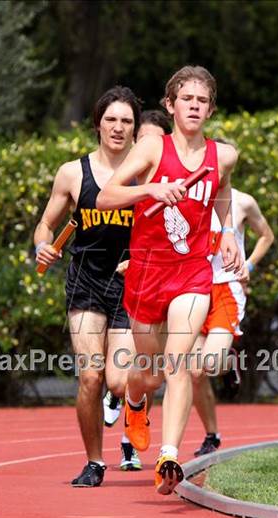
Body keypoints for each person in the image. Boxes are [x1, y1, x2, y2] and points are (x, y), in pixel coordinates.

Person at [97, 66, 242, 495]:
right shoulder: (151, 149)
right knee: (149, 373)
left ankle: (168, 455)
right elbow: (107, 196)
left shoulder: (224, 155)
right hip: (147, 271)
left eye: (202, 101)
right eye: (187, 99)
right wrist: (151, 191)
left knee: (180, 362)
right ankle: (135, 403)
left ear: (211, 109)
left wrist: (228, 232)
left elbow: (224, 191)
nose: (194, 106)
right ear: (170, 105)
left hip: (194, 271)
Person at [34, 86, 142, 486]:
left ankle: (128, 398)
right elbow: (45, 225)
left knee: (116, 380)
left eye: (126, 121)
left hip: (131, 284)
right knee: (90, 377)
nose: (118, 127)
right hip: (85, 283)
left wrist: (143, 258)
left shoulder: (145, 172)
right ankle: (95, 462)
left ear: (135, 129)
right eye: (111, 119)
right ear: (98, 124)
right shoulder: (71, 173)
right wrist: (43, 247)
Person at [191, 183, 274, 456]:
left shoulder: (242, 202)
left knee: (211, 364)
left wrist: (248, 265)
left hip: (227, 288)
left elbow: (266, 236)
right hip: (194, 288)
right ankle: (212, 435)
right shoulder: (190, 197)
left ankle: (228, 362)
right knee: (194, 372)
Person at [102, 109, 172, 432]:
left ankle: (132, 437)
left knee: (152, 372)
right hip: (115, 285)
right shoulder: (120, 184)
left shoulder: (171, 187)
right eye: (143, 140)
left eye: (156, 141)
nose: (149, 148)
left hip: (156, 281)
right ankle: (123, 400)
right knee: (117, 378)